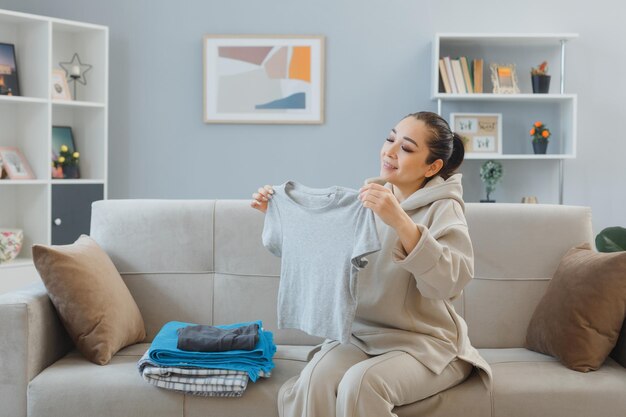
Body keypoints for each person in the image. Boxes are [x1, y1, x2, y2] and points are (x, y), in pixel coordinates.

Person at [250, 111, 492, 417]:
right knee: (314, 379)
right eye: (390, 139)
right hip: (361, 336)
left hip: (428, 344)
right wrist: (278, 216)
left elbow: (448, 283)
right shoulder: (366, 202)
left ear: (433, 166)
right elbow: (326, 257)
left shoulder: (444, 208)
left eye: (406, 148)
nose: (389, 151)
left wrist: (402, 222)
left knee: (360, 384)